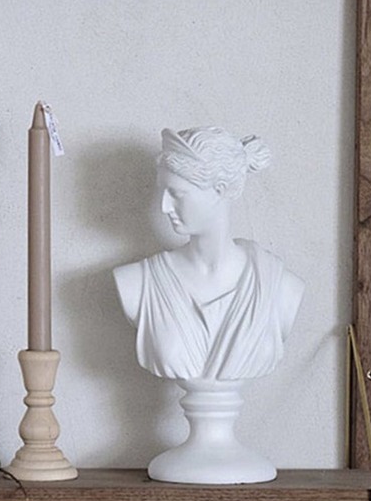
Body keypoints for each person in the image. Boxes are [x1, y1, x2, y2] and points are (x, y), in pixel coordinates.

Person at [113, 126, 304, 382]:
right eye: (163, 192)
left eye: (177, 194)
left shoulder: (279, 285)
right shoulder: (137, 281)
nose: (164, 206)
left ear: (220, 189)